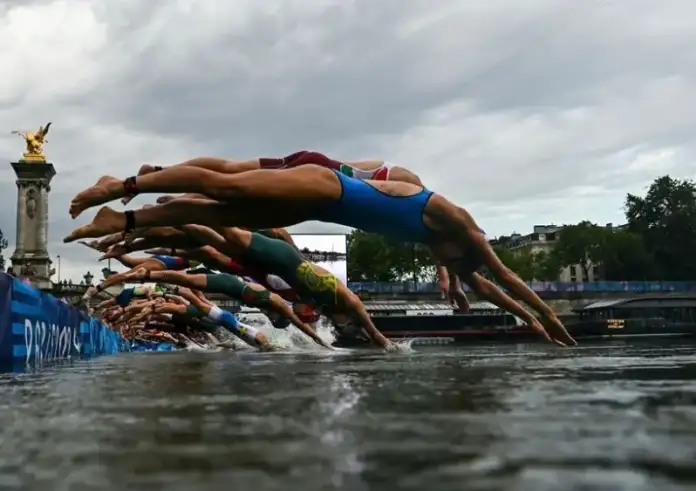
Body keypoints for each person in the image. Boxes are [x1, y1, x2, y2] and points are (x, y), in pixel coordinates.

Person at [65, 162, 576, 346]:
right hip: (333, 188)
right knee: (226, 189)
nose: (466, 277)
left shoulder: (460, 255)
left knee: (217, 214)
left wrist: (530, 323)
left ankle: (125, 219)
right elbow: (506, 276)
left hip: (331, 207)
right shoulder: (460, 223)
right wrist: (548, 313)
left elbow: (493, 288)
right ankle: (122, 188)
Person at [124, 267, 333, 349]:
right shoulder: (192, 309)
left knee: (205, 309)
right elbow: (190, 296)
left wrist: (162, 292)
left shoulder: (191, 309)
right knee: (233, 337)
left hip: (229, 320)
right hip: (229, 320)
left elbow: (189, 296)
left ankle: (316, 336)